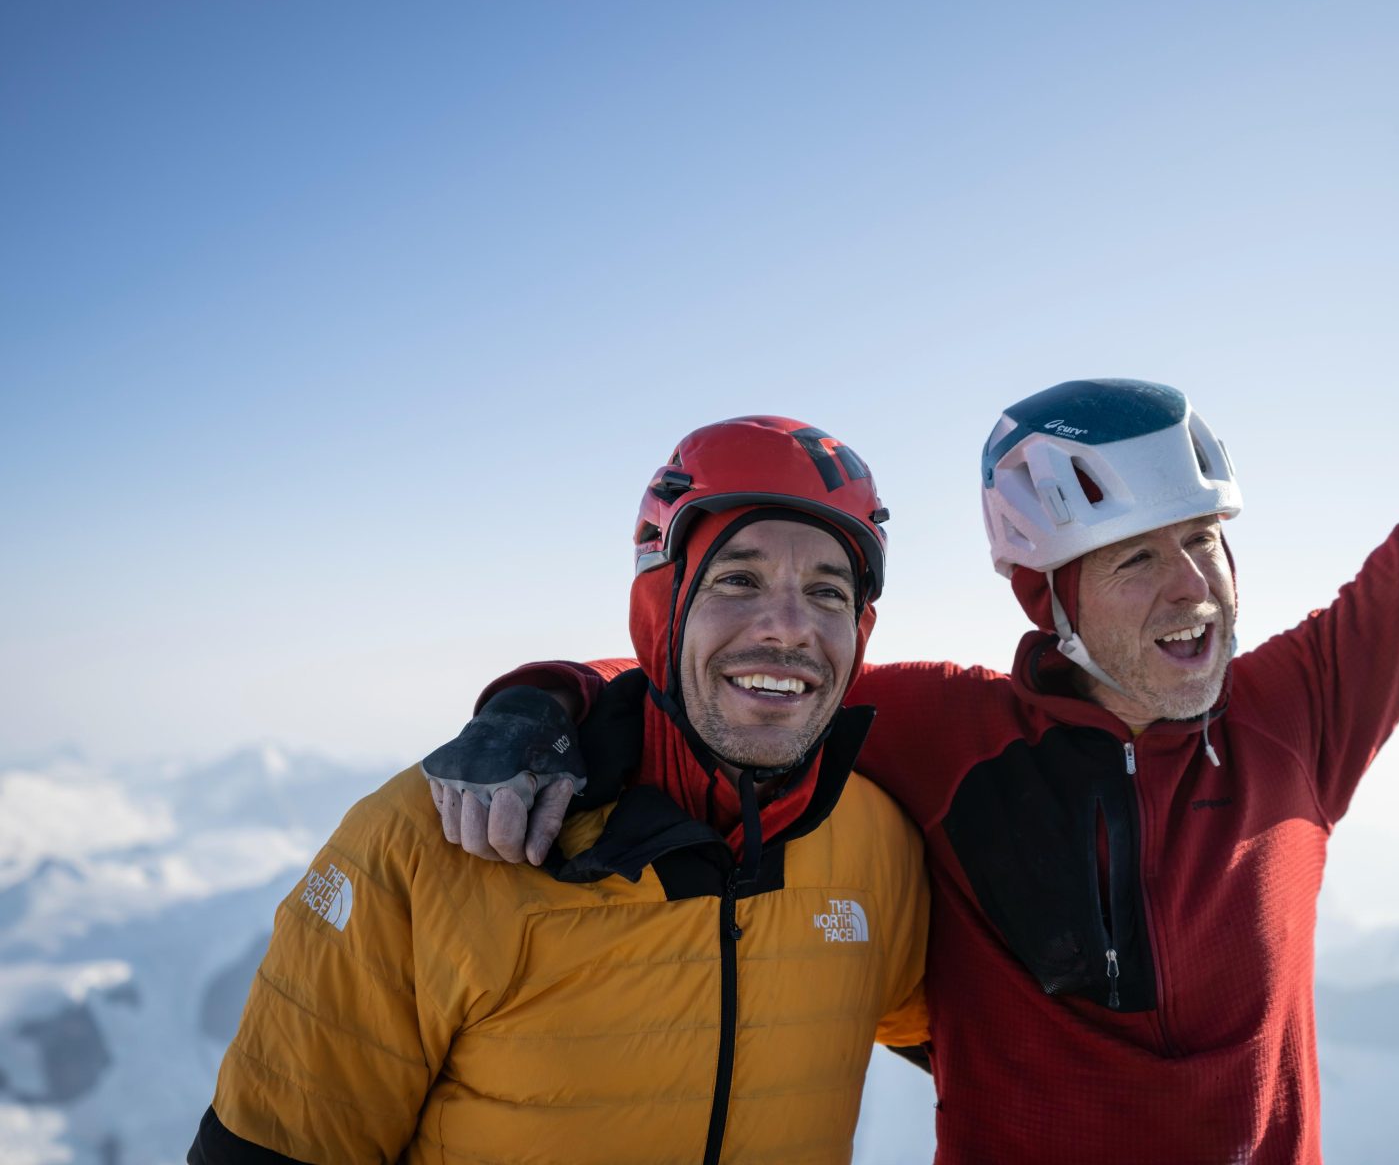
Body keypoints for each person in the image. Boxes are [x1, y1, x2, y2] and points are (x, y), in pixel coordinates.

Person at [428, 69, 1399, 1164]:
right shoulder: (944, 733)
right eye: (1133, 560)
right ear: (1048, 597)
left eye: (1205, 542)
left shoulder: (1300, 717)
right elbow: (724, 676)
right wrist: (543, 702)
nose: (1194, 588)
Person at [189, 417, 930, 1165]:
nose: (790, 628)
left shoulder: (878, 847)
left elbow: (981, 1038)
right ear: (663, 607)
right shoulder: (427, 840)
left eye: (829, 591)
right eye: (738, 579)